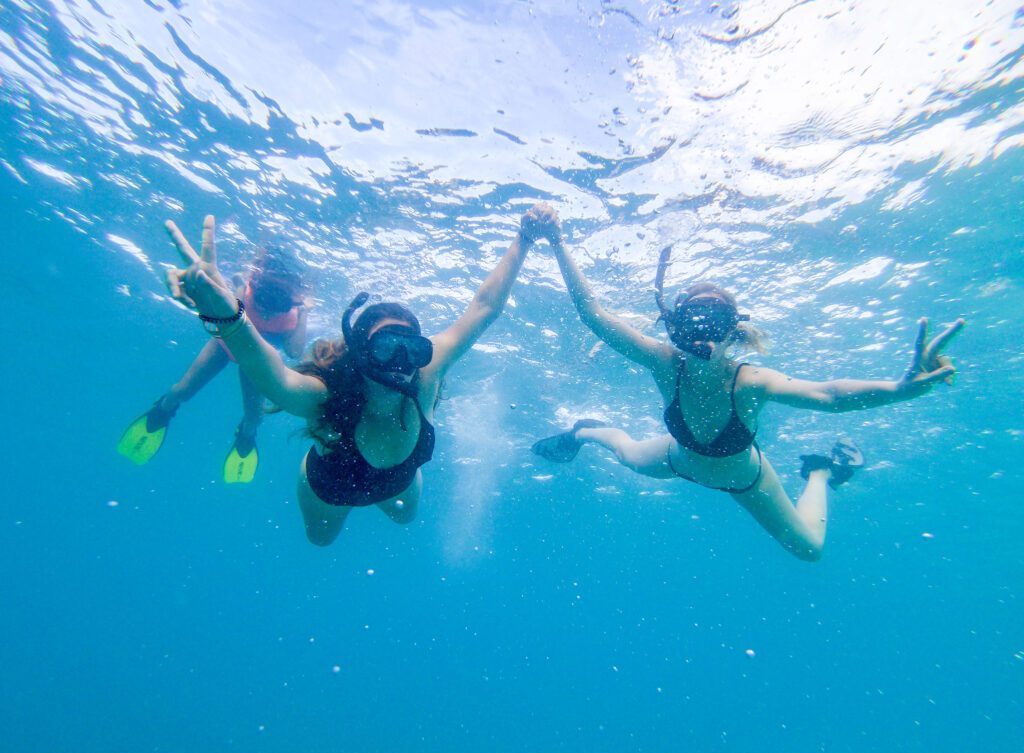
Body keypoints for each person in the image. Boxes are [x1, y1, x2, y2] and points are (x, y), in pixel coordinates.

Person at [530, 212, 965, 561]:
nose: (703, 335)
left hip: (745, 479)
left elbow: (829, 395)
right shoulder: (664, 362)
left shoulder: (750, 381)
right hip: (675, 457)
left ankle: (820, 471)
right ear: (674, 329)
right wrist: (557, 242)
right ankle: (583, 430)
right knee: (625, 452)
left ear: (734, 332)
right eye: (690, 323)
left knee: (809, 550)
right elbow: (594, 315)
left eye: (715, 323)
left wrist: (900, 388)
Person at [162, 206, 547, 545]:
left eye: (411, 349)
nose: (400, 363)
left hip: (398, 480)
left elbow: (483, 307)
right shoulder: (325, 397)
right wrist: (226, 314)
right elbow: (270, 374)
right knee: (320, 540)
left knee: (404, 517)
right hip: (331, 487)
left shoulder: (427, 374)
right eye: (384, 348)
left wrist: (523, 239)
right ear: (361, 355)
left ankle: (387, 487)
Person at [118, 245, 308, 483]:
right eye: (264, 295)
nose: (268, 308)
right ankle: (164, 407)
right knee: (182, 390)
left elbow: (295, 351)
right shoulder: (243, 291)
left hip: (256, 361)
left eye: (279, 301)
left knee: (254, 417)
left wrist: (303, 315)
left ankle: (246, 434)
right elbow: (219, 310)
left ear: (294, 301)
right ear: (255, 284)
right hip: (224, 345)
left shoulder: (294, 316)